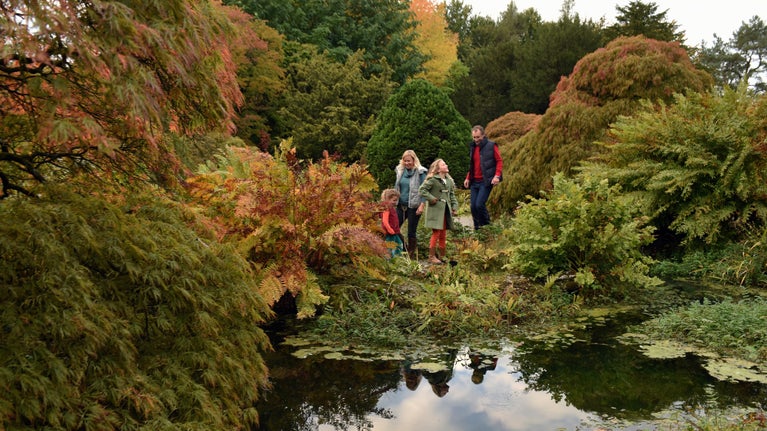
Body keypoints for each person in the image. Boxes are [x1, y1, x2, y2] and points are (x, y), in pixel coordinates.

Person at [463, 125, 503, 230]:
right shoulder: (473, 147)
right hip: (474, 181)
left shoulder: (491, 145)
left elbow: (499, 161)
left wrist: (497, 176)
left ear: (483, 135)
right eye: (474, 137)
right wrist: (468, 178)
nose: (476, 140)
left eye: (478, 137)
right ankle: (478, 230)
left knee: (479, 205)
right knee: (473, 207)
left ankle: (487, 227)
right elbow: (472, 165)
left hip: (486, 181)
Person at [419, 159, 458, 264]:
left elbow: (451, 195)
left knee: (443, 234)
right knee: (436, 233)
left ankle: (442, 256)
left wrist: (454, 206)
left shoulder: (449, 181)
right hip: (435, 210)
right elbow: (422, 190)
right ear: (438, 169)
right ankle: (431, 256)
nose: (446, 165)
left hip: (445, 210)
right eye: (443, 164)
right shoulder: (433, 180)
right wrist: (431, 198)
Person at [394, 150, 427, 259]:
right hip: (401, 206)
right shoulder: (400, 171)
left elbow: (424, 190)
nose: (407, 163)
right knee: (394, 227)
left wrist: (422, 205)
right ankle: (404, 247)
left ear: (414, 160)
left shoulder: (420, 172)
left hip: (414, 206)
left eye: (409, 161)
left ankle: (411, 253)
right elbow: (396, 187)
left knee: (411, 232)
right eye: (405, 161)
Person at [380, 188, 404, 257]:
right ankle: (388, 260)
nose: (395, 202)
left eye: (396, 200)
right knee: (389, 247)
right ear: (387, 199)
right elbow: (385, 221)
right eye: (394, 200)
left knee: (399, 245)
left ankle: (398, 259)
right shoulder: (386, 208)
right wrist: (390, 229)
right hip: (390, 233)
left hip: (395, 232)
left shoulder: (392, 208)